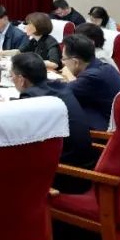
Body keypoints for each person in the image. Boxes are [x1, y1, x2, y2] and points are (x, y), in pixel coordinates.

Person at [11, 53, 98, 194]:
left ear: (21, 80)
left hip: (67, 175)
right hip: (85, 167)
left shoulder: (31, 98)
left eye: (12, 76)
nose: (12, 79)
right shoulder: (60, 87)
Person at [60, 34, 120, 132]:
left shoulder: (91, 77)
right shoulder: (104, 66)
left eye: (64, 59)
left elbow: (62, 92)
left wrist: (67, 74)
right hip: (114, 120)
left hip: (106, 130)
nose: (63, 63)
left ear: (76, 62)